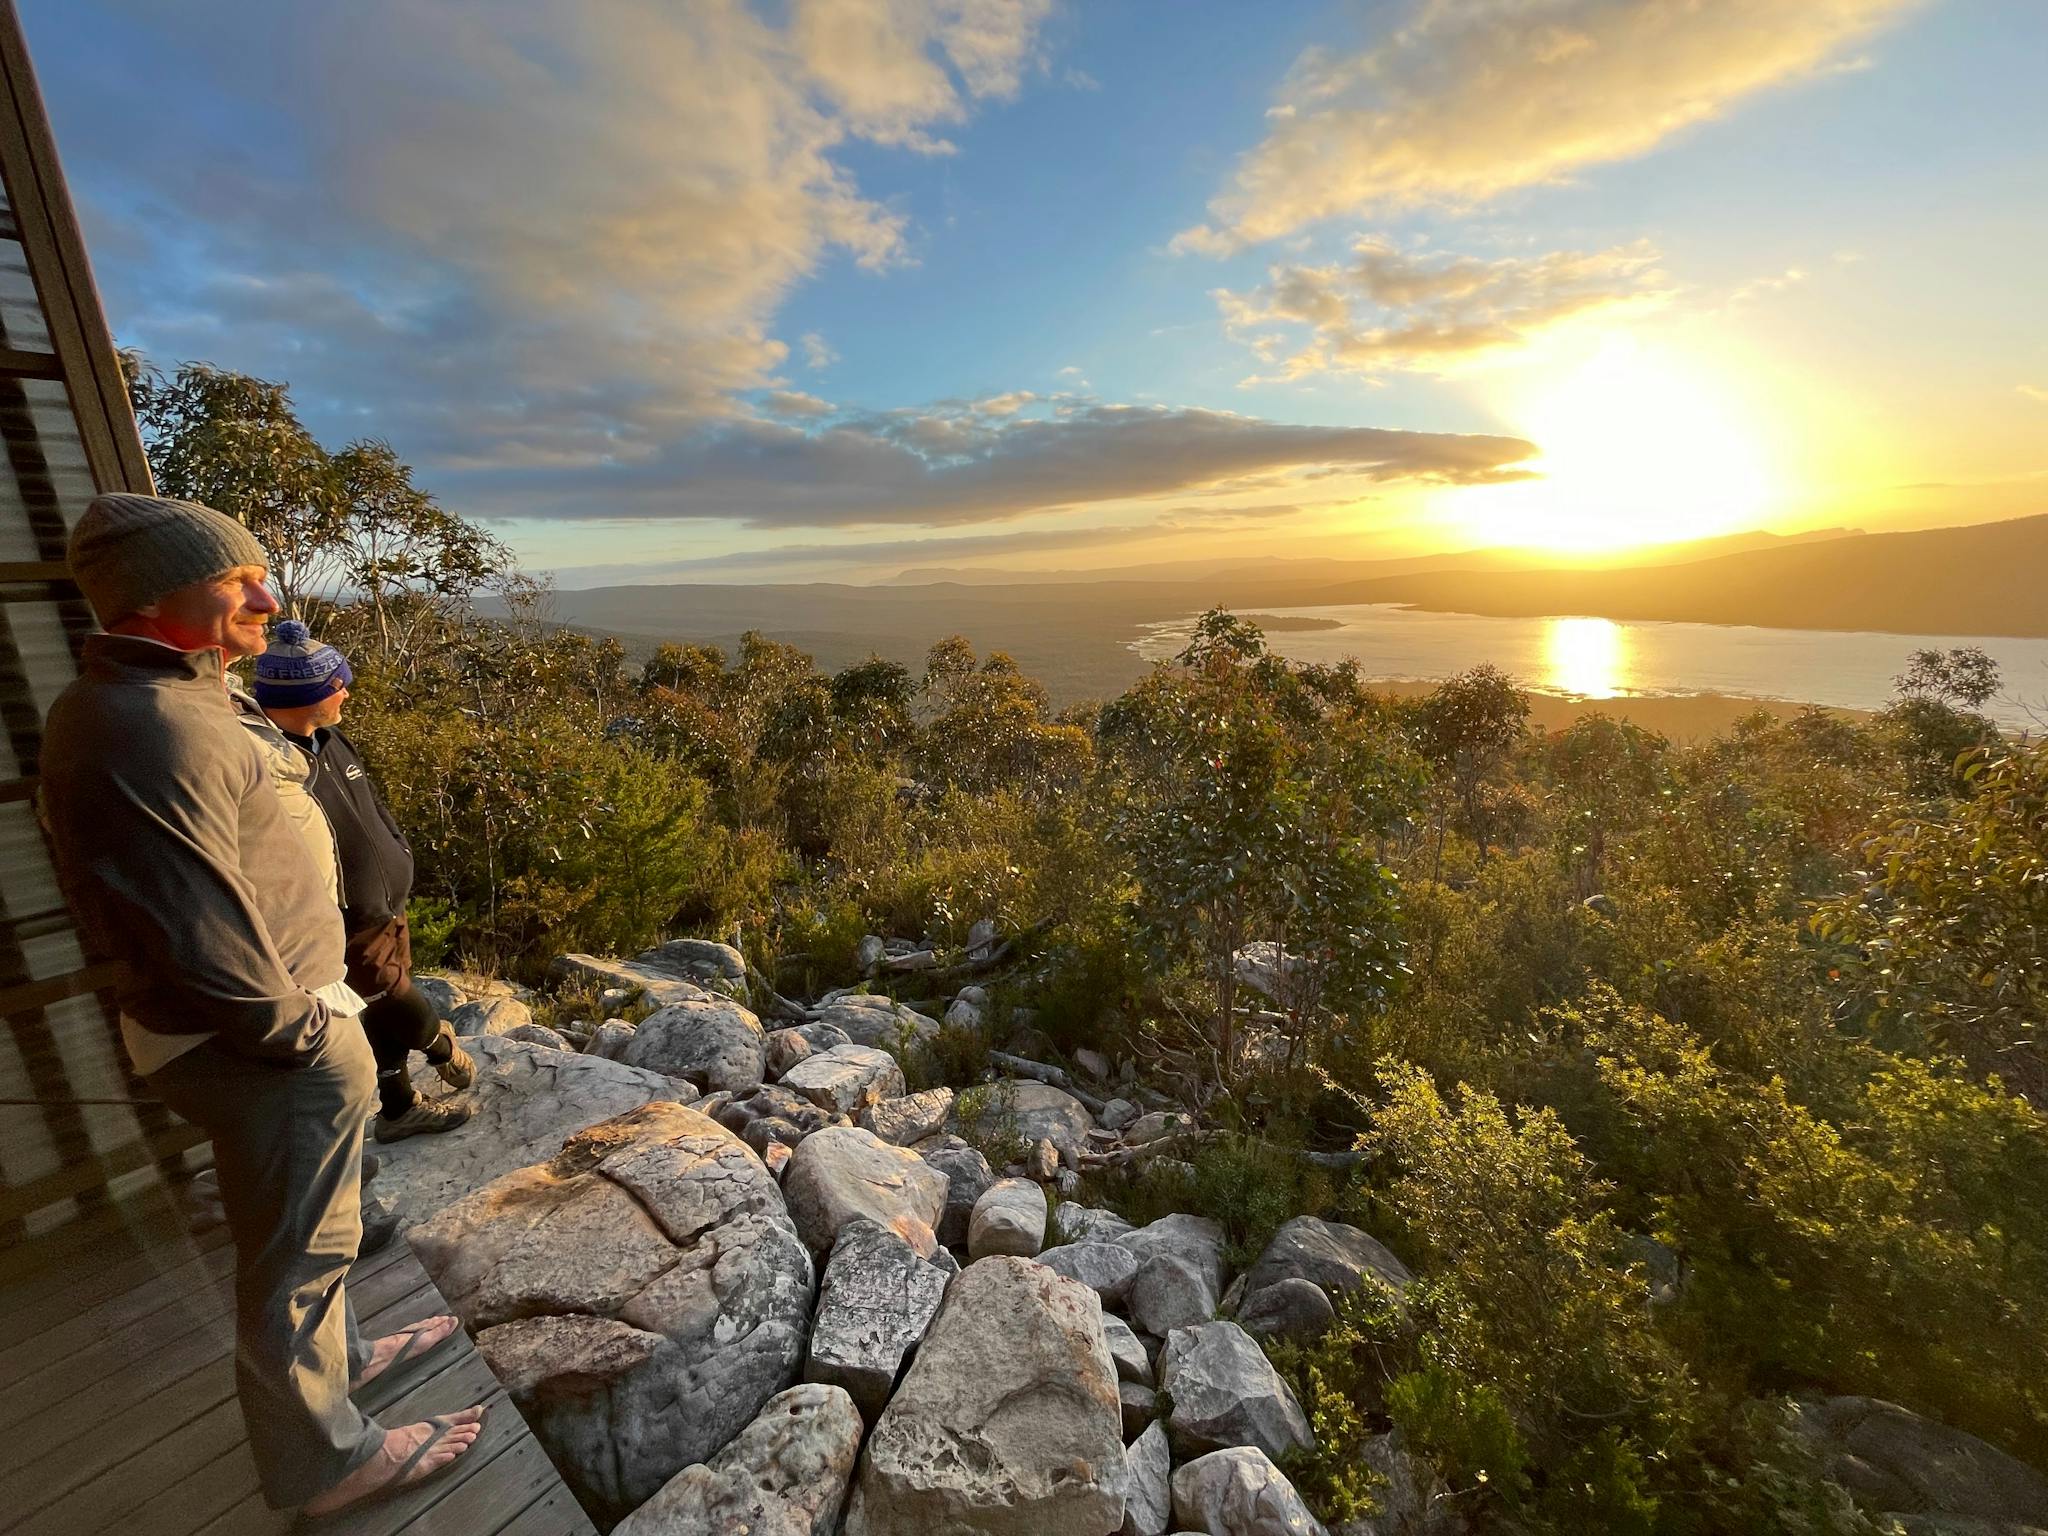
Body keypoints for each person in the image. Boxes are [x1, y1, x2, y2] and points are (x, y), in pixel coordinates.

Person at [38, 493, 484, 1516]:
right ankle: (326, 1461)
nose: (265, 595)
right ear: (160, 592)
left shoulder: (183, 698)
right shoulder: (145, 723)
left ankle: (348, 1359)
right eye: (237, 578)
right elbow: (183, 924)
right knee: (294, 1257)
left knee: (312, 1237)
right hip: (262, 1042)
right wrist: (314, 1037)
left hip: (276, 1024)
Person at [251, 619, 474, 1142]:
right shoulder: (269, 769)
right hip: (345, 919)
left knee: (382, 1010)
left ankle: (397, 1109)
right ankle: (439, 1043)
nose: (346, 692)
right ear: (308, 694)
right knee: (391, 996)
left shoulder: (330, 739)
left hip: (386, 905)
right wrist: (436, 1040)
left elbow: (370, 808)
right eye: (337, 686)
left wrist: (398, 850)